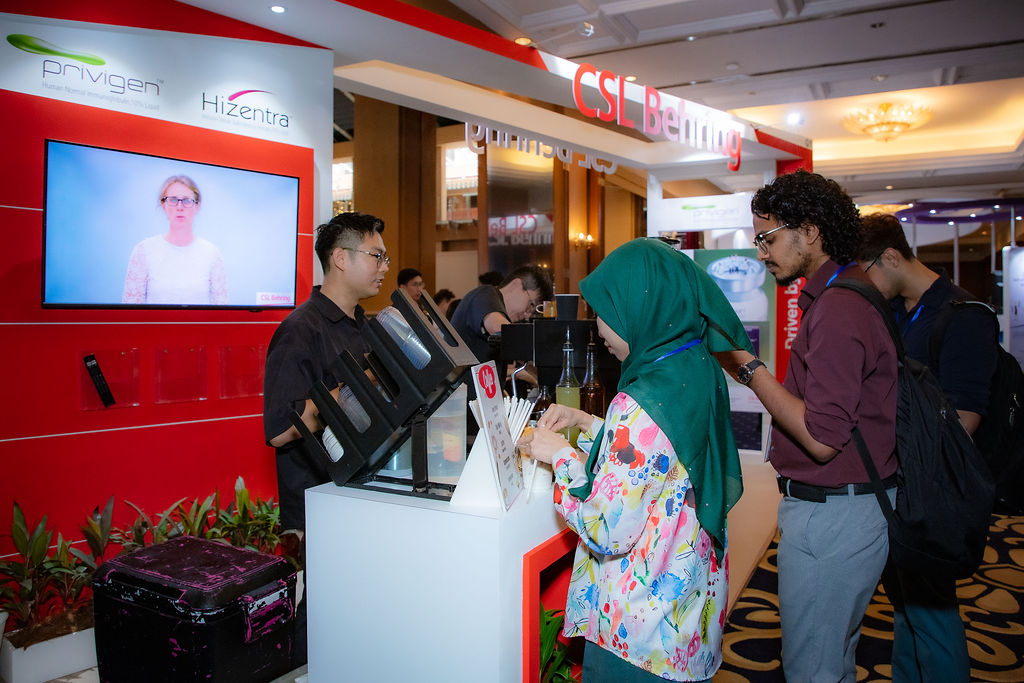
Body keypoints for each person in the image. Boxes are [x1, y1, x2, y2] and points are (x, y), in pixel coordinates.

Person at [516, 238, 753, 682]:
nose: (598, 328)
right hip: (688, 616)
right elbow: (662, 454)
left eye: (604, 311)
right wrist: (588, 422)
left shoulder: (639, 400)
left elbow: (607, 527)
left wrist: (561, 455)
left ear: (638, 307)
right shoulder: (693, 367)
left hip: (640, 632)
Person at [717, 170, 899, 682]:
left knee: (813, 668)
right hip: (847, 507)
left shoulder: (839, 307)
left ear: (810, 232)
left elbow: (821, 438)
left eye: (768, 239)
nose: (761, 254)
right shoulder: (844, 293)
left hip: (836, 514)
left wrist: (746, 366)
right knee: (830, 659)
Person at [856, 212, 998, 683]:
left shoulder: (964, 316)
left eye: (867, 271)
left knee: (931, 613)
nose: (866, 285)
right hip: (902, 484)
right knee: (906, 606)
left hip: (934, 491)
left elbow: (965, 420)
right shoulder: (900, 311)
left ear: (891, 257)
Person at [262, 211, 389, 665]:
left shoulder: (363, 326)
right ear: (340, 258)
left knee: (355, 606)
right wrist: (350, 391)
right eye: (376, 255)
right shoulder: (301, 329)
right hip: (321, 495)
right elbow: (279, 430)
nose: (384, 266)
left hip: (362, 486)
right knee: (323, 609)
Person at [122, 175, 228, 305]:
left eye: (187, 201)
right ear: (163, 205)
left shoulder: (211, 253)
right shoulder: (143, 251)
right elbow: (130, 310)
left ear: (197, 206)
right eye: (173, 200)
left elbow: (222, 308)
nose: (180, 207)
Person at [450, 264, 552, 364]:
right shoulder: (485, 294)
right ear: (516, 284)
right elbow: (501, 329)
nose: (527, 315)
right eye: (531, 304)